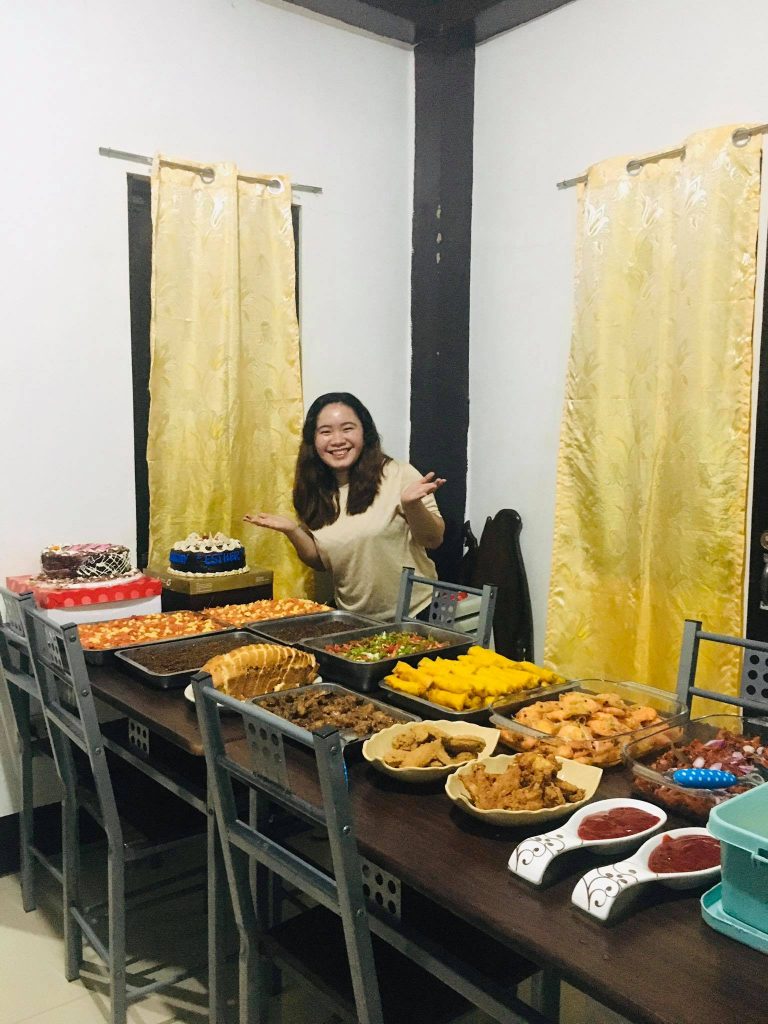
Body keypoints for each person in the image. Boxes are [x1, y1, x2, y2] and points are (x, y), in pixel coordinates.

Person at [244, 392, 445, 620]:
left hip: (417, 613)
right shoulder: (313, 490)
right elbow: (322, 562)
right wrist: (292, 530)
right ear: (313, 440)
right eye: (326, 431)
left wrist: (412, 506)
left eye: (348, 428)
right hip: (353, 619)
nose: (337, 440)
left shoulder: (398, 474)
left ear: (364, 433)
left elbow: (433, 539)